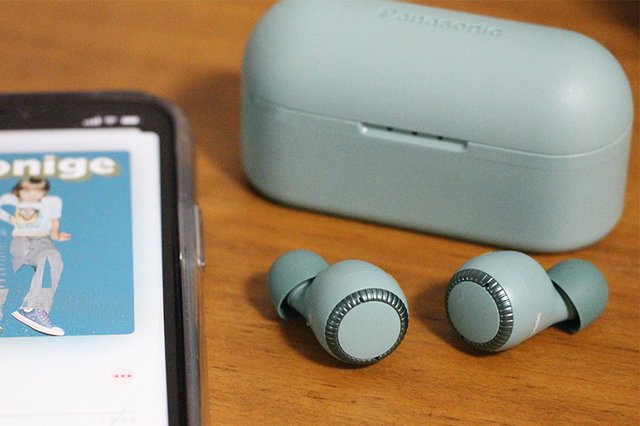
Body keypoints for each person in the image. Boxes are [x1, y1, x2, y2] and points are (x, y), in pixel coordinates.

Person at [0, 177, 71, 336]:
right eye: (27, 190)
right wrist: (11, 219)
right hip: (16, 240)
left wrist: (56, 235)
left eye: (37, 191)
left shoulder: (52, 202)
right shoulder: (10, 201)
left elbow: (54, 220)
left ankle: (34, 308)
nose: (32, 194)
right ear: (18, 191)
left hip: (40, 241)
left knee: (51, 258)